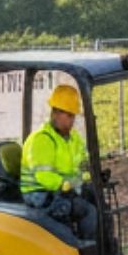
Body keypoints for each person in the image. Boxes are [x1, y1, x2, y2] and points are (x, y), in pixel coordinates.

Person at [22, 84, 98, 241]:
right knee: (83, 209)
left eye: (73, 116)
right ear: (55, 113)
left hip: (63, 190)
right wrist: (67, 185)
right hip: (39, 193)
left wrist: (89, 178)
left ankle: (104, 249)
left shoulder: (74, 138)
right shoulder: (42, 139)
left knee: (98, 201)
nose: (72, 120)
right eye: (69, 115)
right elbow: (44, 177)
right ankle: (86, 249)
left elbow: (83, 163)